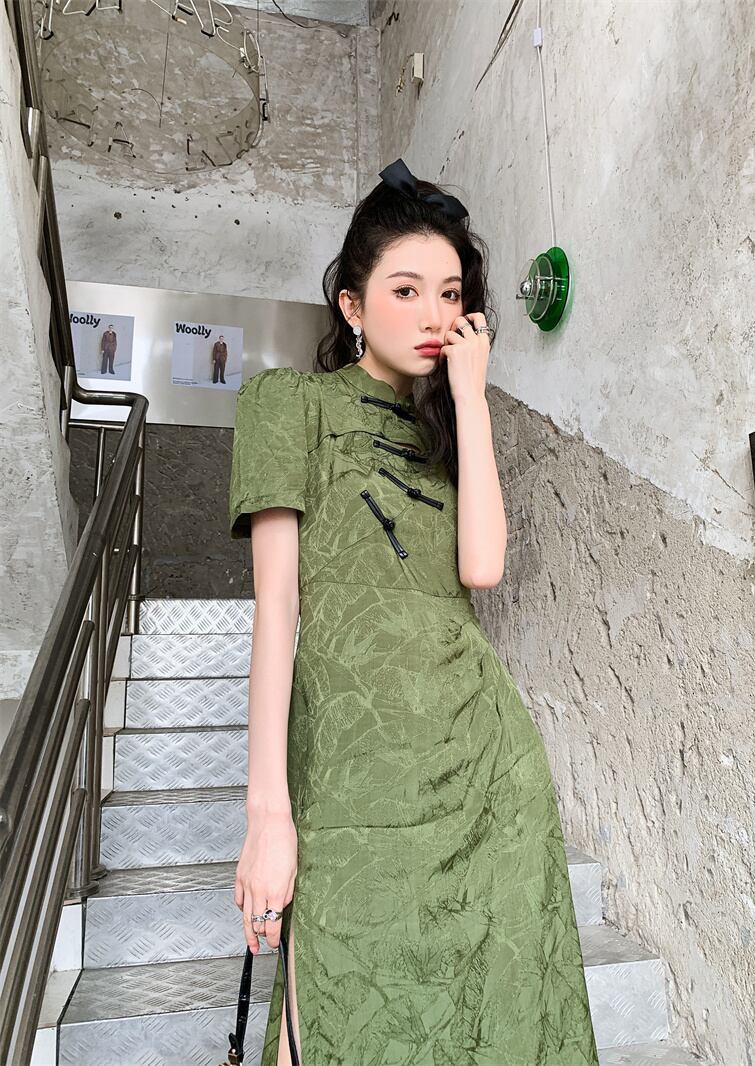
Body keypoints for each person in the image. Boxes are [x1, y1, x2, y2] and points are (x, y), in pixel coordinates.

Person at [228, 157, 600, 1066]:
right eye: (406, 290)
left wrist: (470, 399)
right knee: (332, 1016)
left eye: (451, 293)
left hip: (481, 769)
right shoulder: (289, 404)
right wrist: (267, 814)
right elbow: (277, 609)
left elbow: (483, 568)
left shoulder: (451, 431)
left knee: (492, 1029)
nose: (435, 315)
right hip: (350, 772)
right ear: (352, 305)